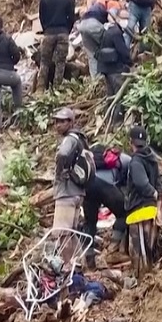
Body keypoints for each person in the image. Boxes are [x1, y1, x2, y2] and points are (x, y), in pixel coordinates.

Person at [52, 107, 94, 262]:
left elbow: (63, 153)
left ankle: (68, 266)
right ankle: (80, 265)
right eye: (56, 122)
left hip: (67, 193)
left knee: (62, 233)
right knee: (71, 233)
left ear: (71, 122)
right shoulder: (80, 139)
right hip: (78, 192)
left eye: (62, 121)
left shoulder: (69, 139)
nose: (58, 125)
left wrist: (60, 171)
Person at [82, 140, 130, 269]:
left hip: (88, 186)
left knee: (90, 222)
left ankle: (89, 259)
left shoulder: (92, 160)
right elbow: (129, 181)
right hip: (105, 186)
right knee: (123, 213)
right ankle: (112, 251)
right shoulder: (124, 158)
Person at [123, 127, 162, 274]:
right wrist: (157, 199)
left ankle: (142, 277)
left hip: (138, 209)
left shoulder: (136, 161)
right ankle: (149, 272)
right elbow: (159, 183)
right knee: (149, 245)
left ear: (130, 142)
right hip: (151, 208)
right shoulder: (152, 159)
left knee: (138, 249)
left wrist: (152, 192)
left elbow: (141, 183)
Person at [37, 0, 76, 91]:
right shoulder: (68, 0)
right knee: (60, 62)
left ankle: (40, 88)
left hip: (48, 33)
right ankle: (57, 88)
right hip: (62, 33)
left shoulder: (44, 0)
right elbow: (71, 18)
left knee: (44, 61)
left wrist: (46, 29)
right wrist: (66, 31)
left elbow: (42, 17)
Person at [98, 15, 132, 123]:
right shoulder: (116, 33)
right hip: (115, 69)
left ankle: (109, 119)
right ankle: (117, 121)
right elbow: (122, 50)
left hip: (106, 68)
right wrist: (129, 61)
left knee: (111, 95)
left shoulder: (108, 31)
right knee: (119, 95)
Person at [78, 4, 109, 79]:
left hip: (82, 25)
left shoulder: (91, 9)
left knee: (91, 54)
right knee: (106, 47)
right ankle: (109, 72)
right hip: (93, 24)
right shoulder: (105, 10)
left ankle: (95, 78)